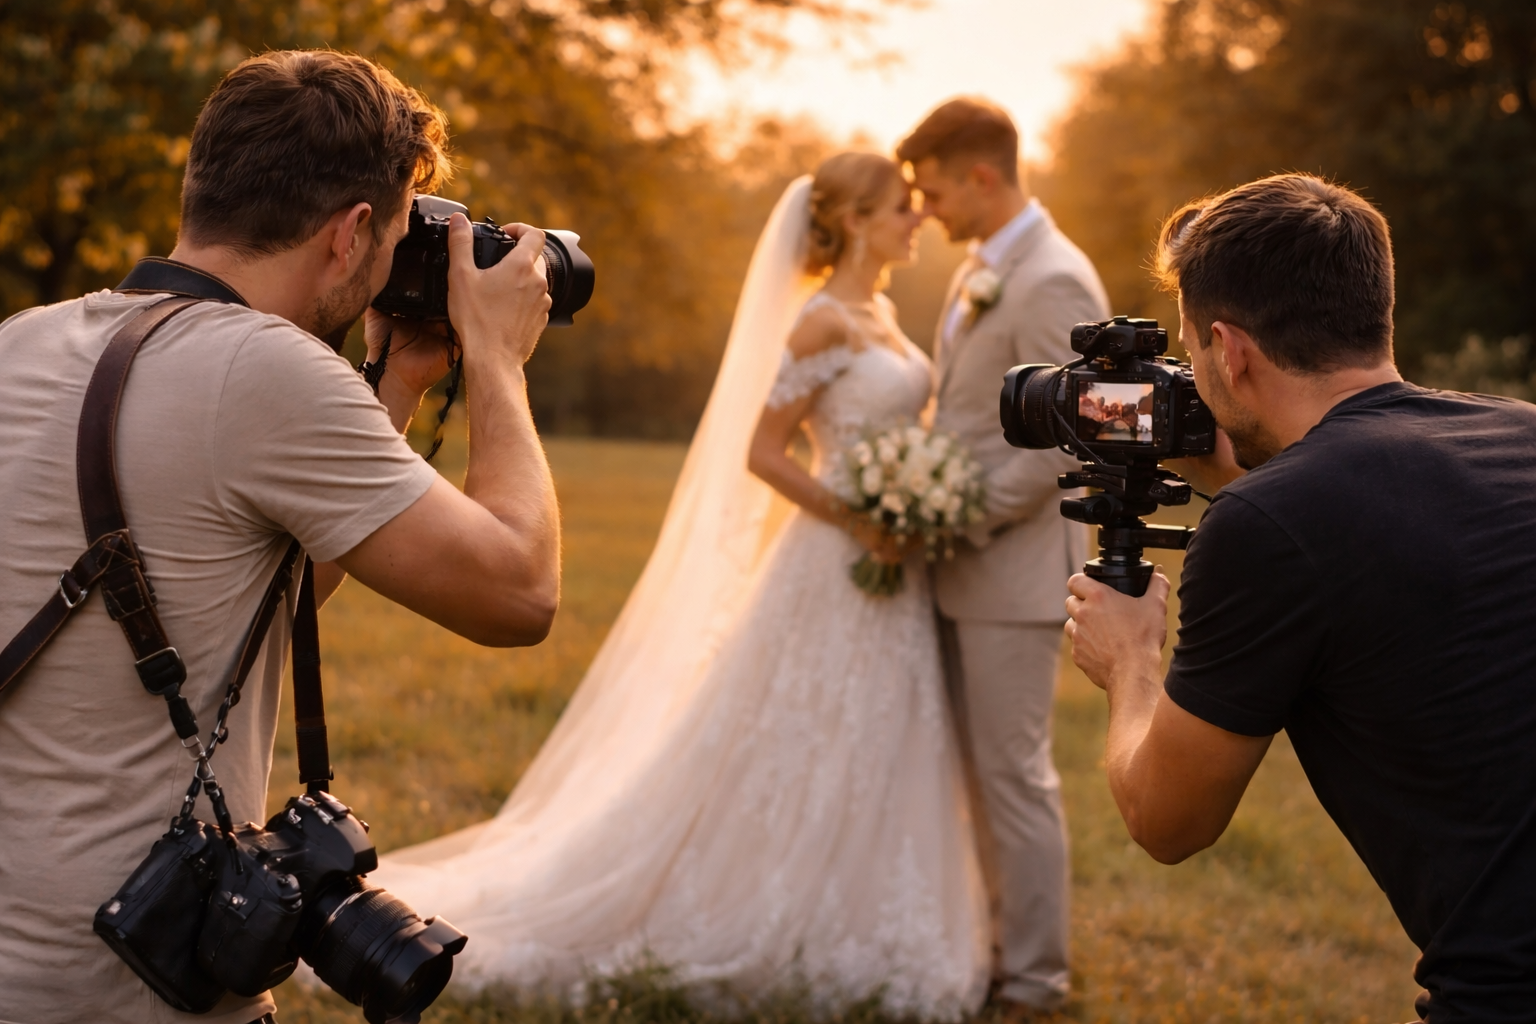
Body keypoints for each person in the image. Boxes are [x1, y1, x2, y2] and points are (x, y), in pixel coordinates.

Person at [0, 51, 560, 1024]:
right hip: (125, 985)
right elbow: (518, 594)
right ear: (349, 235)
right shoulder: (269, 373)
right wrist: (501, 362)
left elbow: (253, 591)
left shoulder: (26, 339)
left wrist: (397, 387)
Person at [367, 153, 990, 1019]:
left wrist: (913, 501)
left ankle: (866, 911)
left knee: (876, 737)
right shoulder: (820, 323)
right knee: (792, 738)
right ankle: (763, 907)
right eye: (898, 209)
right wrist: (861, 516)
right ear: (851, 220)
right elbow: (763, 451)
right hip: (831, 559)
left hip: (895, 577)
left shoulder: (881, 313)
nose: (915, 220)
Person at [1064, 173, 1536, 1024]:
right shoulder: (1519, 429)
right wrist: (1249, 482)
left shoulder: (1271, 523)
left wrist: (1129, 660)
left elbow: (1166, 822)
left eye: (1189, 356)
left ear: (1228, 348)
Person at [896, 97, 1109, 1015]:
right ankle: (983, 949)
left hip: (1014, 570)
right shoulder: (984, 266)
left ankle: (1033, 980)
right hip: (960, 563)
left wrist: (955, 513)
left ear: (983, 175)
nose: (928, 211)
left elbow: (1076, 443)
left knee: (1013, 779)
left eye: (935, 190)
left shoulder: (1053, 278)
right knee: (974, 778)